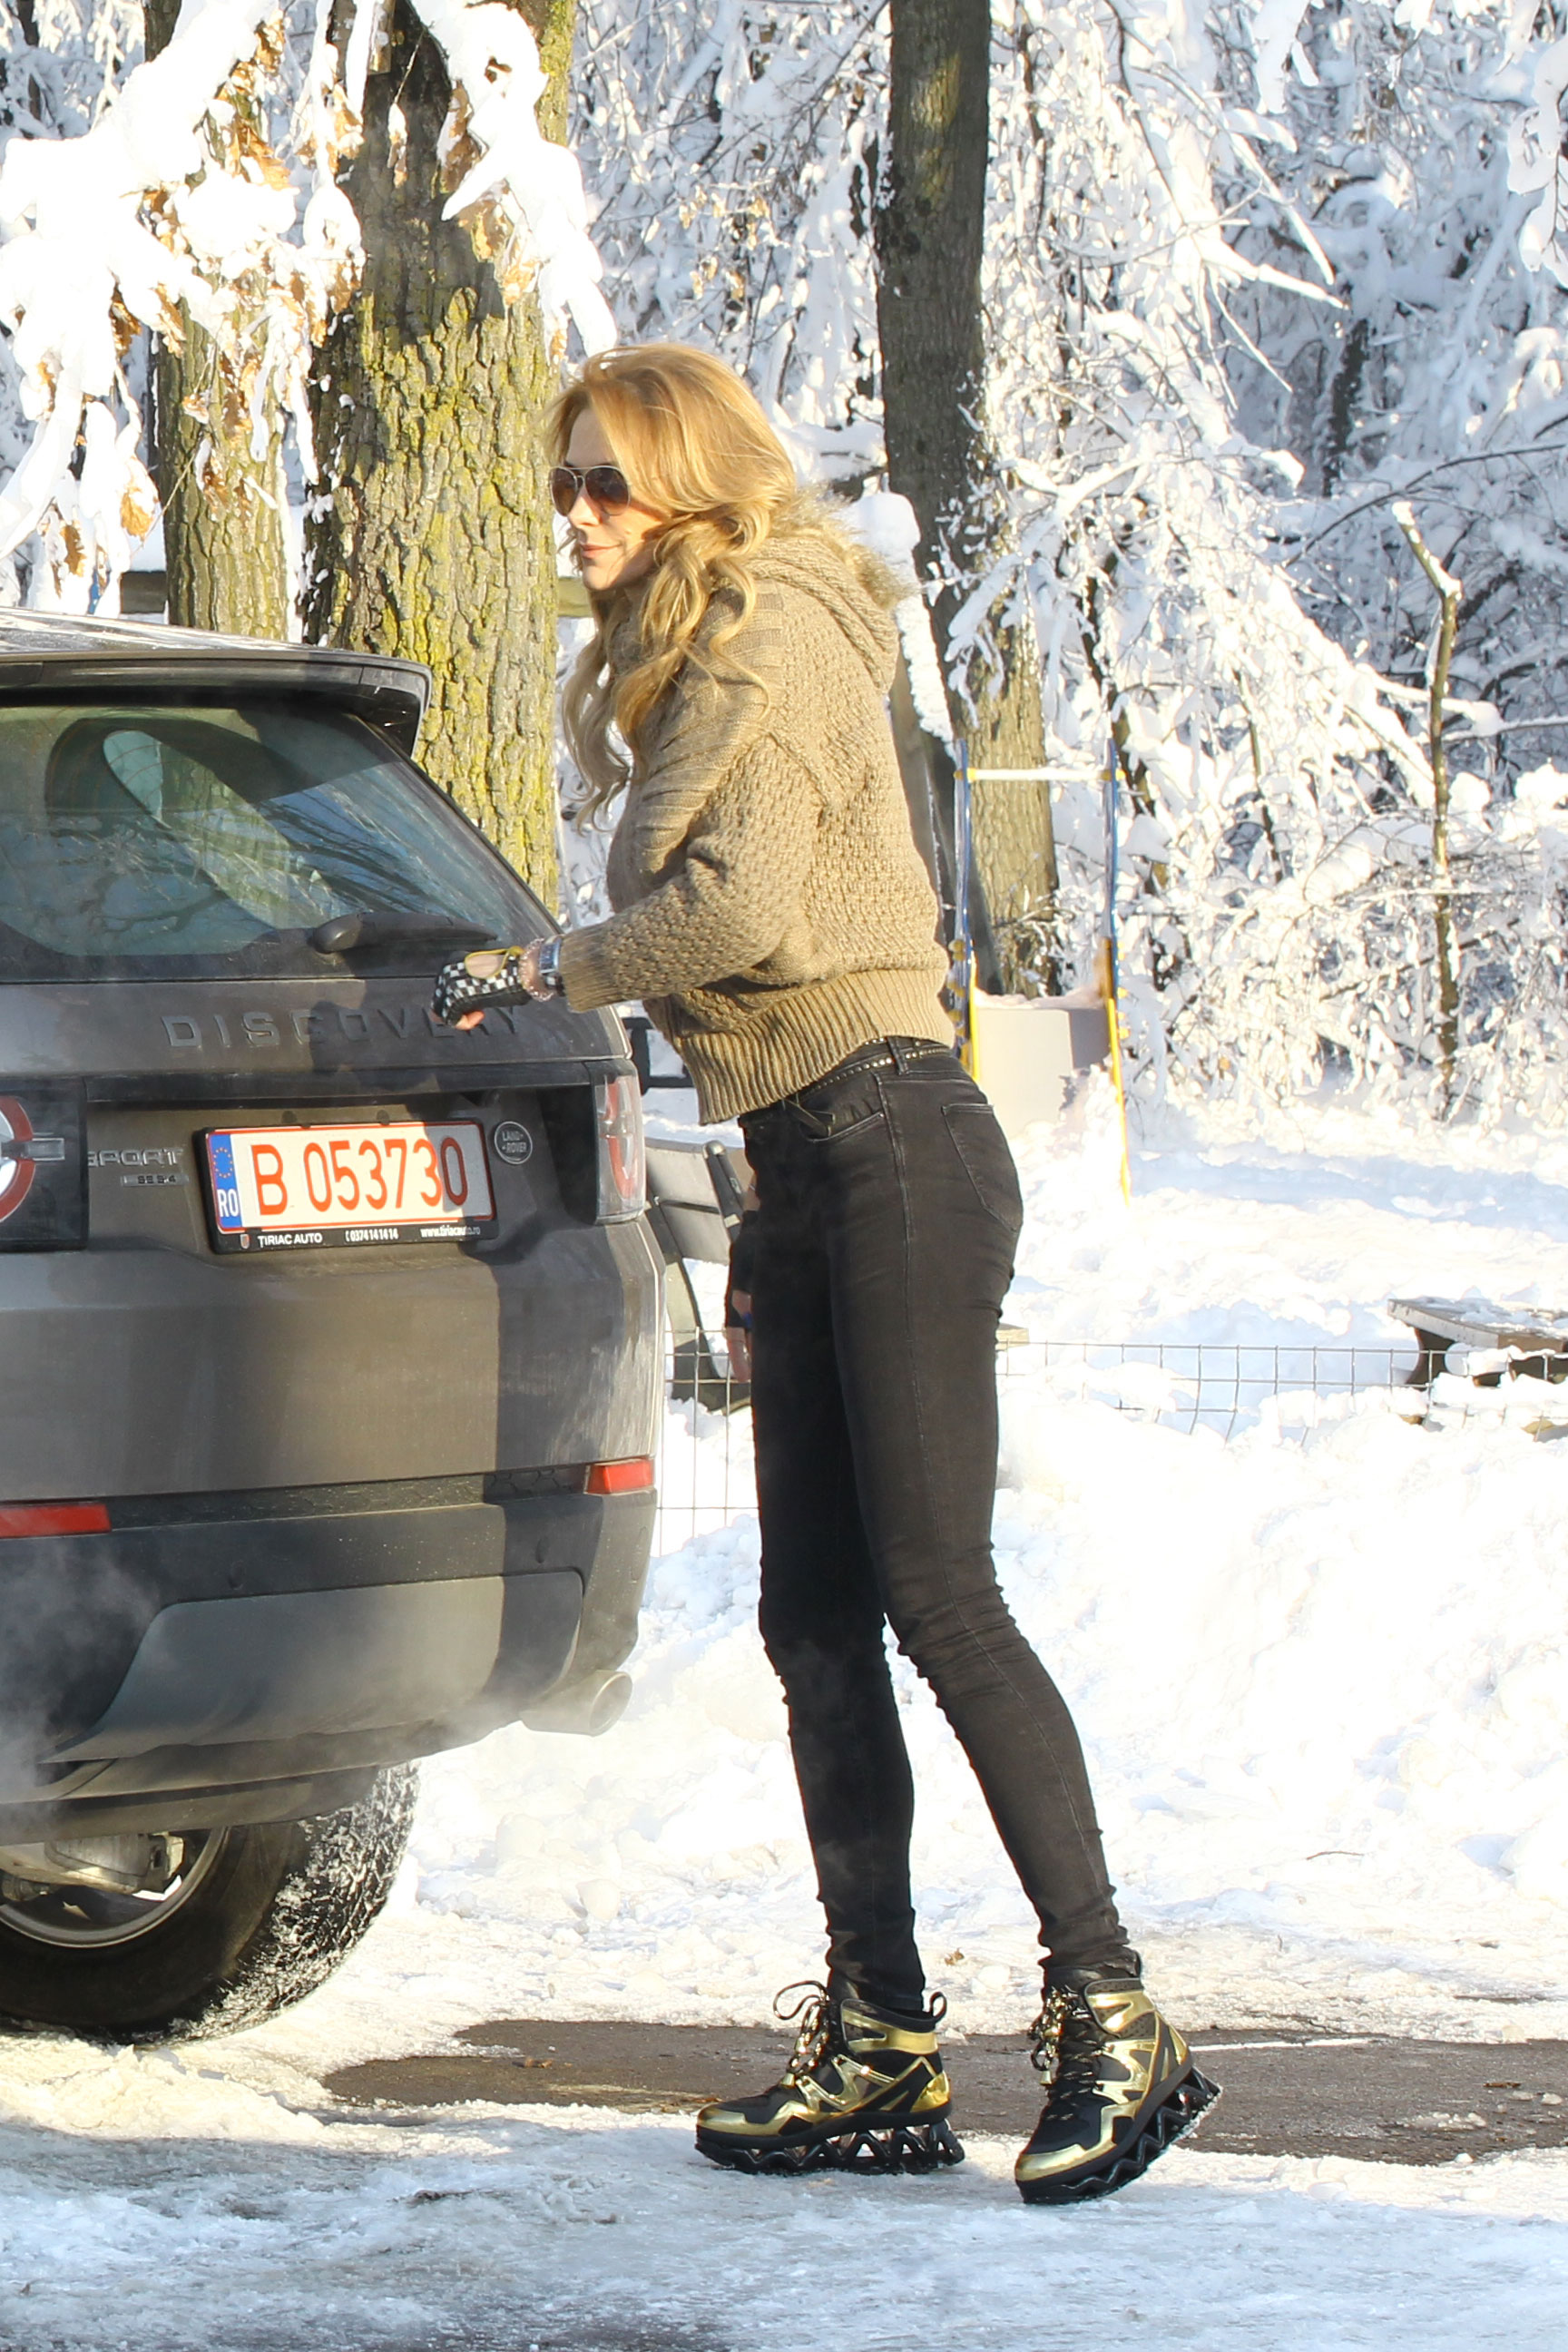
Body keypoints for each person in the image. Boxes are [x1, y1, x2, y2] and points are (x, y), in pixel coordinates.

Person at [437, 342, 1213, 2206]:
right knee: (810, 1624)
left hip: (895, 1146)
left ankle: (1117, 2017)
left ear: (694, 486)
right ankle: (880, 2042)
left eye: (608, 482)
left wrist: (552, 970)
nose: (576, 515)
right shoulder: (693, 656)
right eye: (565, 484)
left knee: (942, 1596)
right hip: (799, 1159)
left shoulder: (771, 633)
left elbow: (746, 916)